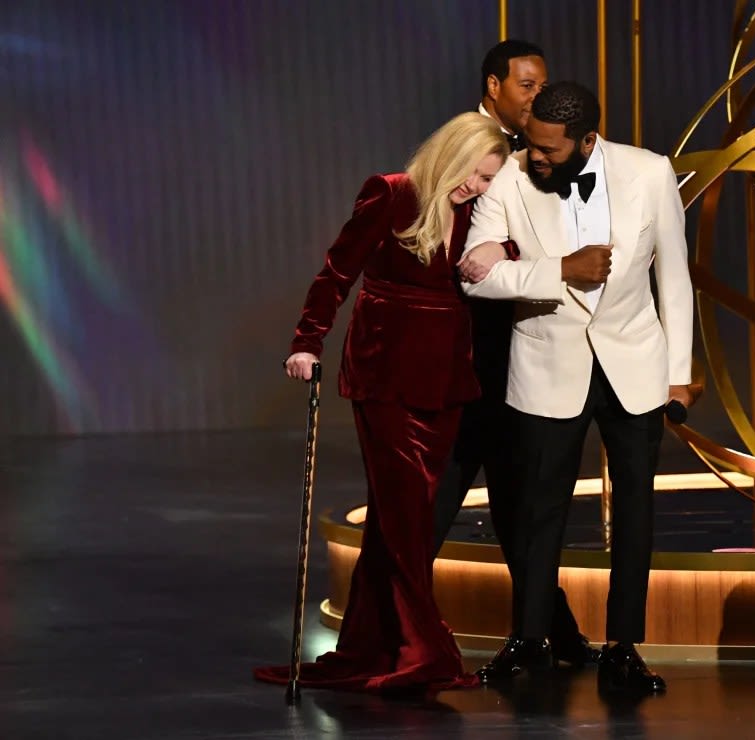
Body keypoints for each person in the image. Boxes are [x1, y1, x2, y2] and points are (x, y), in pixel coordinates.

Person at [253, 112, 509, 692]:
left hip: (446, 375)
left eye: (491, 178)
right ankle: (424, 650)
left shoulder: (485, 213)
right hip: (386, 368)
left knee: (406, 516)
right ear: (453, 153)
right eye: (476, 172)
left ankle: (376, 645)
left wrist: (502, 247)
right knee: (403, 513)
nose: (478, 185)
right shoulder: (394, 193)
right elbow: (337, 271)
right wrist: (306, 341)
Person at [456, 81, 697, 694]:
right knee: (539, 512)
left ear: (588, 139)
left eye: (548, 150)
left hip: (635, 368)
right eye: (530, 144)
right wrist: (559, 269)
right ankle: (529, 639)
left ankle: (623, 647)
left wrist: (679, 374)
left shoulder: (648, 172)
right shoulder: (509, 179)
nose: (534, 157)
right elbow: (475, 277)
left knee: (636, 510)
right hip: (546, 364)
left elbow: (674, 276)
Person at [432, 40, 600, 669]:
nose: (538, 96)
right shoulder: (469, 149)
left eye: (543, 85)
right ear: (495, 84)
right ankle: (390, 630)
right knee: (445, 497)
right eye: (527, 86)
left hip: (519, 355)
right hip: (466, 356)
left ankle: (551, 632)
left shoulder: (544, 160)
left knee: (518, 503)